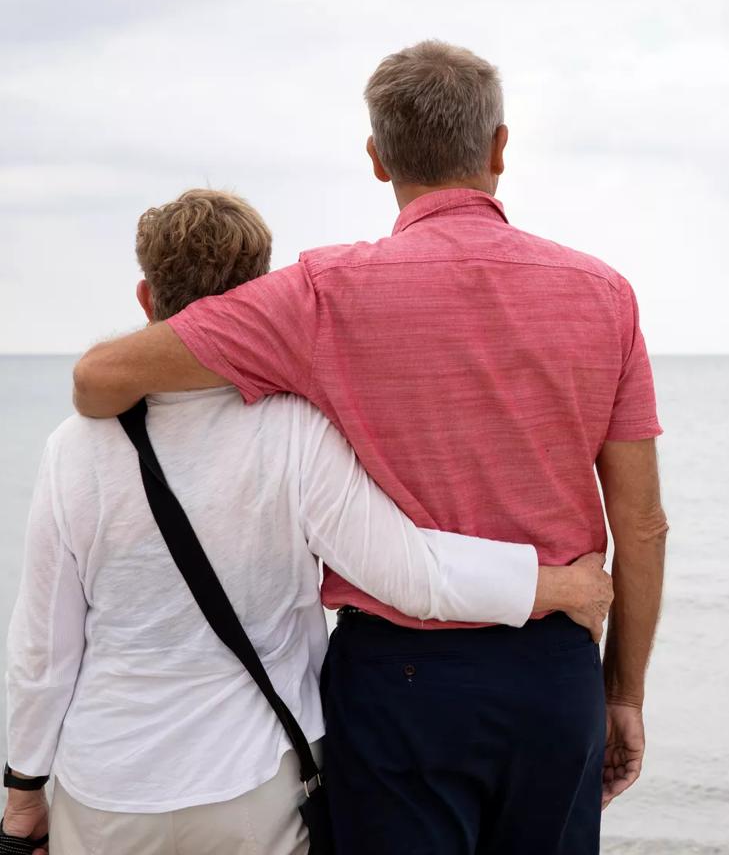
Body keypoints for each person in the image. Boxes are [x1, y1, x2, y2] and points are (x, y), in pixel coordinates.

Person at [71, 40, 669, 854]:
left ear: (377, 158)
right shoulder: (604, 295)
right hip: (553, 678)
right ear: (499, 146)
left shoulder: (321, 295)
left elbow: (101, 377)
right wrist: (623, 693)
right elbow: (641, 526)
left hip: (400, 688)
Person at [3, 189, 613, 855]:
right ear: (259, 298)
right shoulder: (294, 431)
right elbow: (411, 573)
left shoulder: (75, 446)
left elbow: (44, 648)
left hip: (107, 788)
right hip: (254, 781)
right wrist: (561, 587)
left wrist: (24, 791)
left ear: (148, 300)